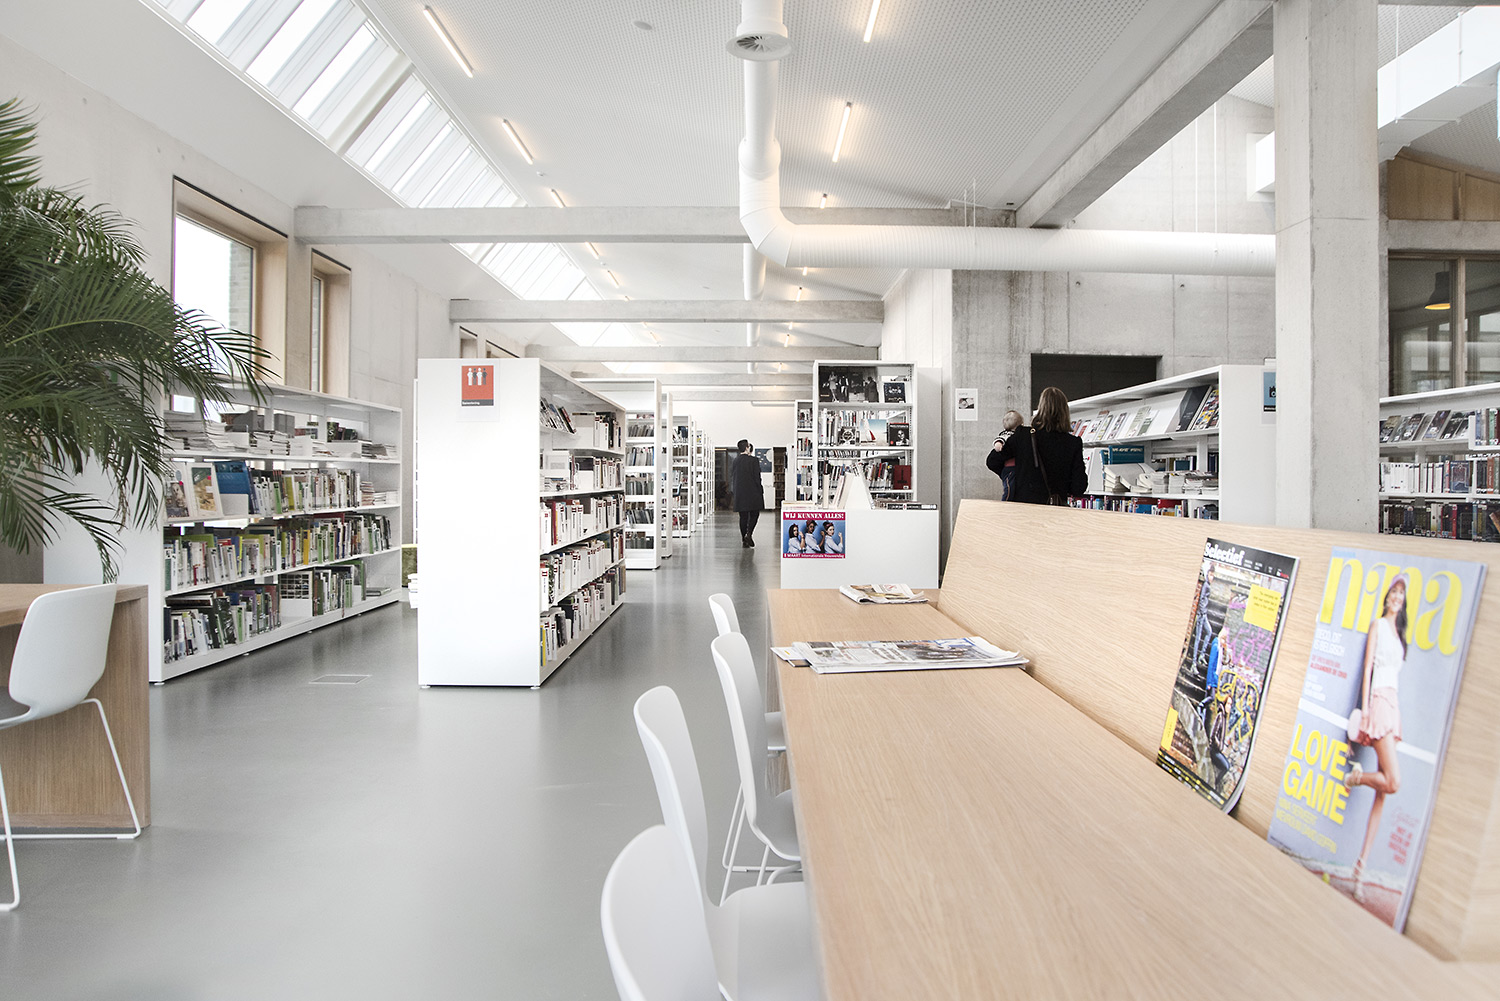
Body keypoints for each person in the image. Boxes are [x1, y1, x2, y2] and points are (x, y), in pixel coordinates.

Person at [1345, 573, 1409, 891]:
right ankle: (1355, 778)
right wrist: (1366, 707)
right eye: (1393, 591)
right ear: (1386, 596)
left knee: (1382, 792)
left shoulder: (1398, 635)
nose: (1397, 597)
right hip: (1379, 701)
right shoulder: (1378, 626)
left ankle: (1361, 867)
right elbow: (1368, 667)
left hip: (1393, 704)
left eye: (1401, 593)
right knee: (1393, 781)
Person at [992, 387, 1088, 505]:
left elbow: (992, 461)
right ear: (1065, 411)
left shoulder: (1023, 435)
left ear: (1040, 408)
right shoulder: (1073, 443)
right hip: (1055, 508)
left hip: (1024, 507)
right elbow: (1079, 487)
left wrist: (1016, 476)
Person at [730, 438, 765, 548]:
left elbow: (733, 477)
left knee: (743, 516)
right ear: (747, 448)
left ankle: (744, 540)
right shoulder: (754, 460)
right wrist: (760, 490)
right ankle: (749, 534)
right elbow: (757, 478)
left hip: (740, 493)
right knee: (755, 514)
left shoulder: (735, 461)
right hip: (753, 492)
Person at [987, 409, 1026, 500]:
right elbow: (1000, 439)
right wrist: (998, 445)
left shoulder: (1013, 434)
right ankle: (1006, 501)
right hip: (1010, 467)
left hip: (1012, 467)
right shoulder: (1007, 434)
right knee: (1009, 487)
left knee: (1011, 485)